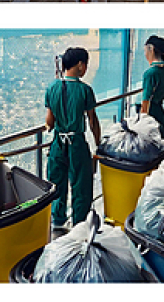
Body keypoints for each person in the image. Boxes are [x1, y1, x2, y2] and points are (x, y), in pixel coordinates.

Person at [45, 47, 100, 230]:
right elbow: (92, 120)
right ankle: (79, 225)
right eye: (85, 64)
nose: (86, 69)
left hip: (58, 143)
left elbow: (49, 122)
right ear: (79, 65)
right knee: (81, 185)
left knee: (57, 183)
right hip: (76, 143)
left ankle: (58, 221)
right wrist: (99, 145)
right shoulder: (85, 90)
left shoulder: (52, 88)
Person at [140, 35, 164, 140]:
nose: (145, 54)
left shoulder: (150, 73)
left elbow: (146, 100)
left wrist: (141, 121)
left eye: (145, 50)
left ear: (151, 49)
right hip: (160, 113)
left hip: (151, 115)